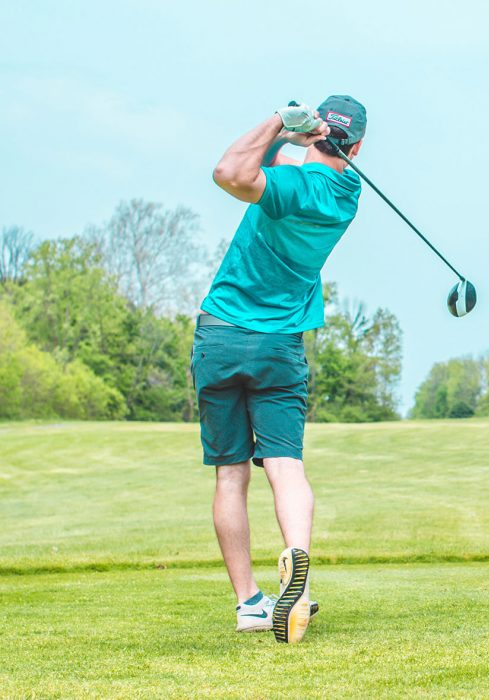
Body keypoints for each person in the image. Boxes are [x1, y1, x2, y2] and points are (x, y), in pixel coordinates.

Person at [192, 96, 366, 644]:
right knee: (285, 464)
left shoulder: (290, 186)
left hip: (220, 336)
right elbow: (276, 170)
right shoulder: (347, 195)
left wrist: (278, 122)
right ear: (358, 147)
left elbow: (230, 171)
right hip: (279, 348)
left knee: (231, 473)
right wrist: (294, 139)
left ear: (318, 133)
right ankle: (298, 578)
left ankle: (250, 603)